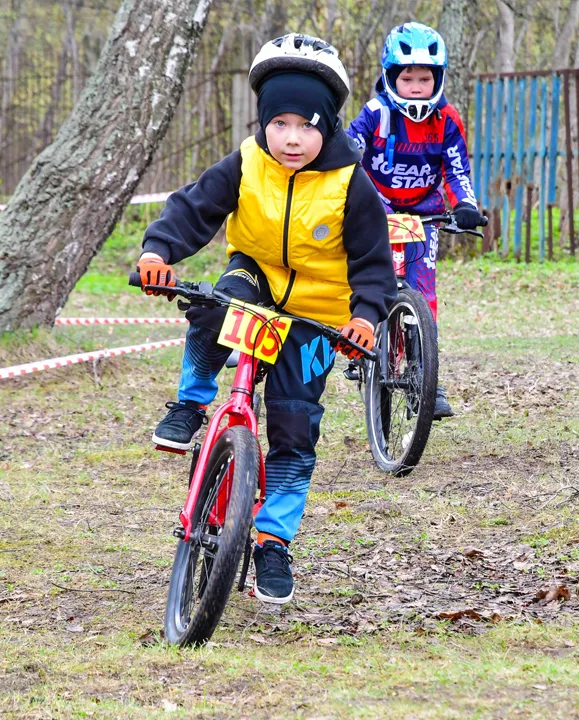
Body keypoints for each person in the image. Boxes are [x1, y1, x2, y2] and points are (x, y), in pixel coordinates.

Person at [136, 34, 396, 604]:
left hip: (319, 309)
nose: (292, 138)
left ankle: (273, 541)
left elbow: (375, 265)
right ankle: (191, 402)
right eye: (279, 124)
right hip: (254, 275)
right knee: (213, 305)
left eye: (307, 125)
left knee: (296, 424)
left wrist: (366, 319)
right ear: (262, 124)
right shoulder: (246, 163)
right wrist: (158, 252)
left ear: (327, 126)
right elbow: (192, 208)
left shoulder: (352, 184)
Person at [347, 22, 485, 420]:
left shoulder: (447, 120)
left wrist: (465, 206)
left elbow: (457, 170)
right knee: (374, 278)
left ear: (438, 78)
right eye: (407, 78)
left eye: (425, 78)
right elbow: (351, 151)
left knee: (423, 294)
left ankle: (427, 375)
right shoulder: (376, 113)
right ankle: (360, 338)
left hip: (425, 213)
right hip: (378, 209)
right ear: (391, 76)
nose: (416, 86)